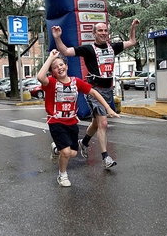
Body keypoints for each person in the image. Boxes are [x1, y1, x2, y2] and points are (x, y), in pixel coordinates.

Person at [51, 18, 140, 169]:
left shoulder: (113, 47)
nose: (104, 33)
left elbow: (132, 41)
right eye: (100, 30)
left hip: (108, 91)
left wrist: (132, 27)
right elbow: (65, 51)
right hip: (94, 89)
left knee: (95, 123)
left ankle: (84, 142)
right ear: (93, 34)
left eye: (105, 30)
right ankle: (106, 157)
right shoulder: (88, 49)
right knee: (103, 123)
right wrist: (57, 37)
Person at [37, 49, 120, 187]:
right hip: (56, 122)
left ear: (66, 66)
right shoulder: (51, 83)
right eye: (55, 67)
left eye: (61, 65)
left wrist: (109, 108)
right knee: (66, 152)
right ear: (52, 71)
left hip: (71, 122)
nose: (59, 68)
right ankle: (62, 175)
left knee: (74, 153)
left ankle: (56, 149)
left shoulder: (76, 82)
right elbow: (40, 77)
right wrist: (51, 58)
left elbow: (93, 92)